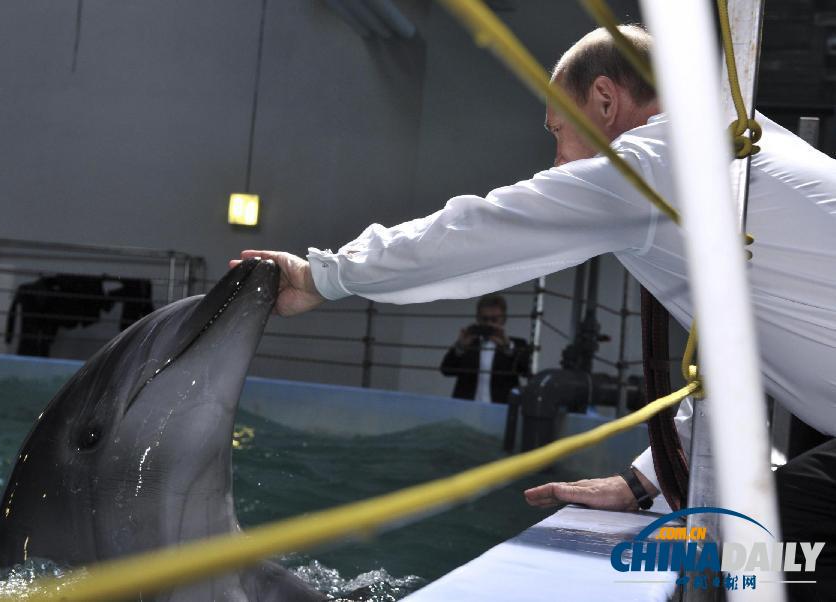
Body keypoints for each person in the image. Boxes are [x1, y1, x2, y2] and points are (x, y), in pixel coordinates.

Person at [232, 25, 836, 596]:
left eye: (556, 131)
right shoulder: (741, 148)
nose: (557, 160)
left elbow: (482, 228)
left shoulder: (658, 165)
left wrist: (322, 277)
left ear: (604, 99)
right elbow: (747, 356)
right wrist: (645, 477)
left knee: (750, 558)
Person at [439, 294, 530, 404]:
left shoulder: (517, 344)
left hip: (501, 410)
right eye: (484, 319)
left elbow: (527, 371)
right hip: (466, 408)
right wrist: (460, 347)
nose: (489, 324)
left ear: (504, 319)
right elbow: (446, 370)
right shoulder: (468, 343)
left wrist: (508, 348)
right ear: (477, 318)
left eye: (494, 319)